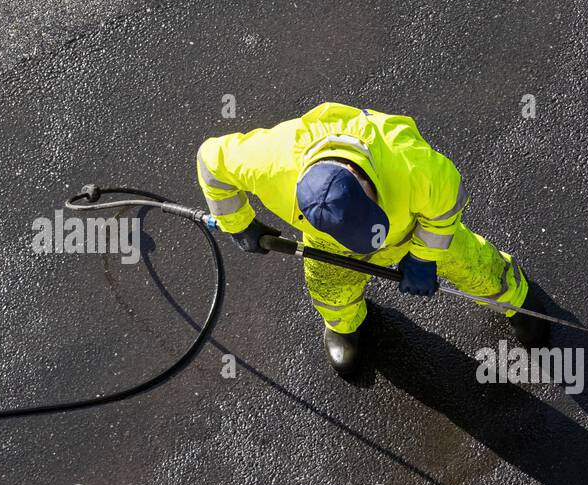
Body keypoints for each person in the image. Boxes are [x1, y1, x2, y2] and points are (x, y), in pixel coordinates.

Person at [196, 102, 547, 376]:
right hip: (328, 243)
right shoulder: (269, 161)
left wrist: (424, 257)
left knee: (476, 266)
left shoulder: (412, 165)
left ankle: (516, 298)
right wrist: (238, 224)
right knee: (330, 289)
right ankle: (343, 326)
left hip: (412, 228)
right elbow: (211, 161)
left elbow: (446, 207)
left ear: (359, 176)